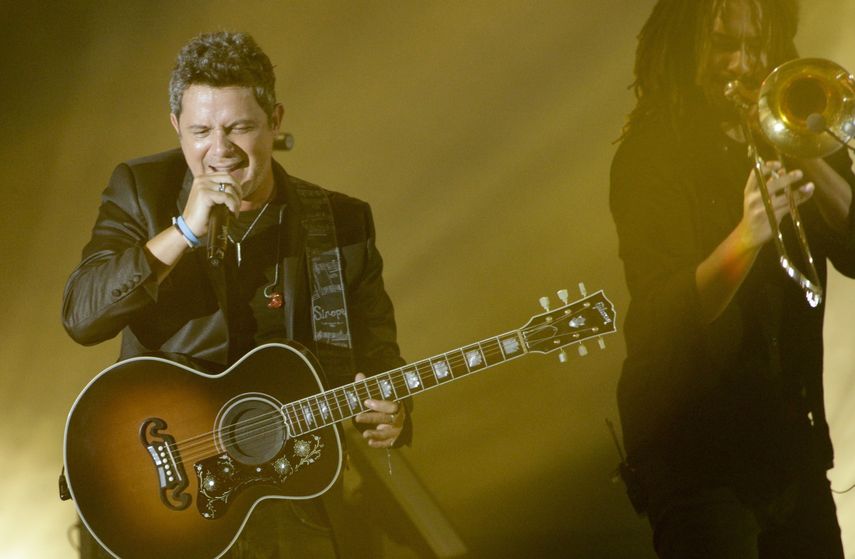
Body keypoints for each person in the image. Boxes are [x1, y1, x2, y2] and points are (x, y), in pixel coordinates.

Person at [62, 31, 410, 558]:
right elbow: (82, 317)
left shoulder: (340, 221)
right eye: (201, 130)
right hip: (160, 497)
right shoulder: (141, 188)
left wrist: (397, 409)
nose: (219, 151)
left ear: (275, 122)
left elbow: (379, 351)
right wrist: (183, 232)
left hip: (290, 492)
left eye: (239, 127)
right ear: (177, 127)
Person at [610, 0, 854, 557]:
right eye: (724, 45)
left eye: (755, 46)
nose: (742, 65)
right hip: (694, 449)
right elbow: (663, 317)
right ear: (685, 45)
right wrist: (746, 235)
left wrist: (807, 148)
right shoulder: (648, 157)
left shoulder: (791, 130)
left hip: (789, 439)